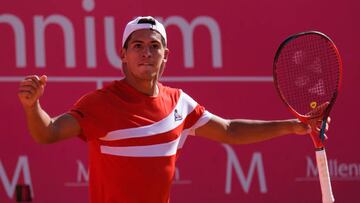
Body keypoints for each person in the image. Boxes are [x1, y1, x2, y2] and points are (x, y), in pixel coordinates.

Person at [18, 16, 329, 203]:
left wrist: (294, 125)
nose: (146, 52)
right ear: (123, 55)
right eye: (137, 46)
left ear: (165, 56)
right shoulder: (100, 103)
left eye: (154, 46)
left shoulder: (179, 103)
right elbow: (47, 133)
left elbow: (231, 130)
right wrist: (33, 107)